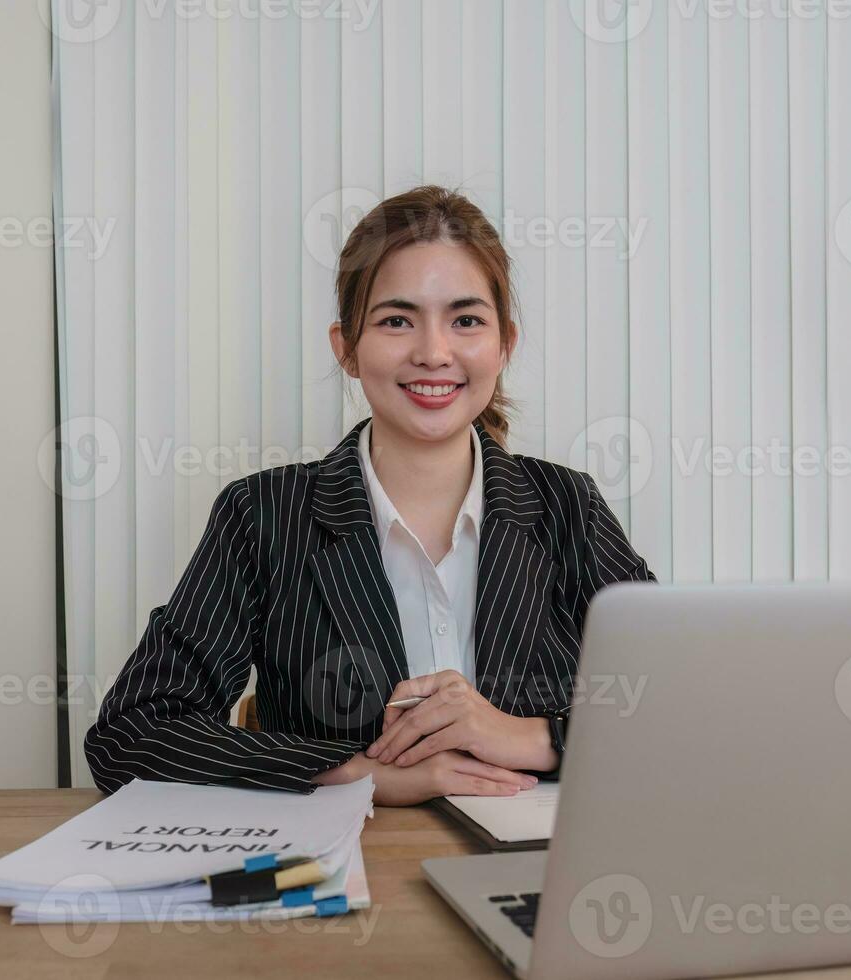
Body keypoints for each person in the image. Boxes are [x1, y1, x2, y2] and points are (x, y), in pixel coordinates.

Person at [84, 185, 656, 806]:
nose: (433, 352)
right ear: (347, 348)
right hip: (346, 867)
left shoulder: (566, 505)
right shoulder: (264, 515)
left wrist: (533, 737)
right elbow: (131, 733)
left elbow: (684, 702)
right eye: (396, 320)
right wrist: (358, 774)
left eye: (466, 320)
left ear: (504, 344)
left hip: (535, 867)